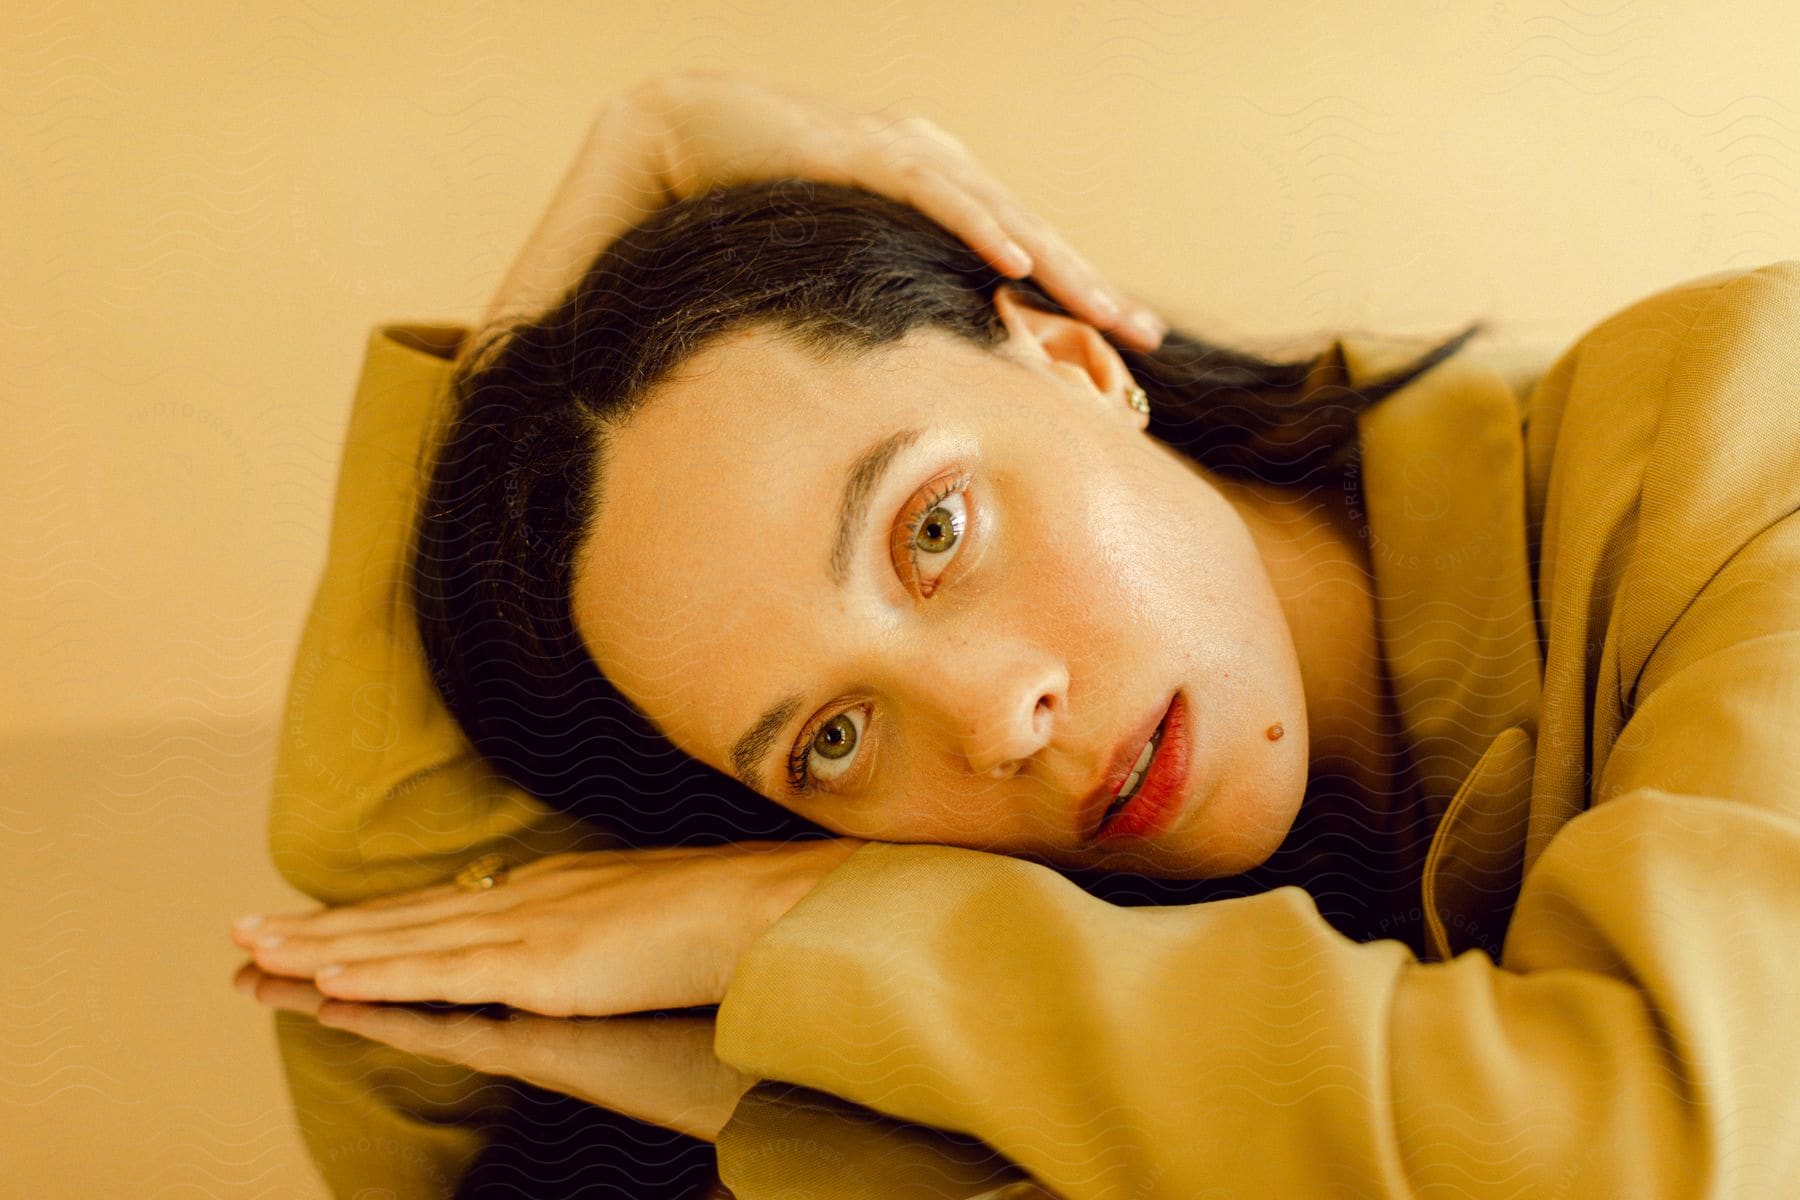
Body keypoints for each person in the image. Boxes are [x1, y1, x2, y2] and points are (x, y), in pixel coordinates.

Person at [234, 71, 1800, 1197]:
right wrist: (624, 159)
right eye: (831, 741)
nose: (994, 724)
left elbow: (1671, 1149)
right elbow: (408, 985)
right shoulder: (1066, 1009)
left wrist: (808, 927)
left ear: (1073, 358)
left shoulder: (1747, 432)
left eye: (932, 532)